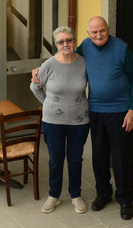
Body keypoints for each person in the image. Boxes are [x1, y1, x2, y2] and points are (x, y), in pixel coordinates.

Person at [33, 16, 133, 220]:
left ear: (108, 29)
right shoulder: (85, 47)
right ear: (88, 34)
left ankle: (125, 199)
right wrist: (39, 70)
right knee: (99, 157)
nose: (98, 35)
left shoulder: (122, 48)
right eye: (94, 32)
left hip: (120, 111)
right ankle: (103, 194)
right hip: (95, 111)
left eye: (102, 31)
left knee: (121, 157)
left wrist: (132, 110)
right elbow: (63, 57)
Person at [30, 26, 90, 214]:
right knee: (55, 159)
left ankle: (76, 195)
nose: (66, 44)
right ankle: (53, 195)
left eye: (69, 40)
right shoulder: (48, 64)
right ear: (56, 44)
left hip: (79, 121)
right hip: (53, 122)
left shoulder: (83, 63)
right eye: (61, 41)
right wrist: (48, 102)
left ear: (74, 41)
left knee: (75, 159)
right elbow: (35, 87)